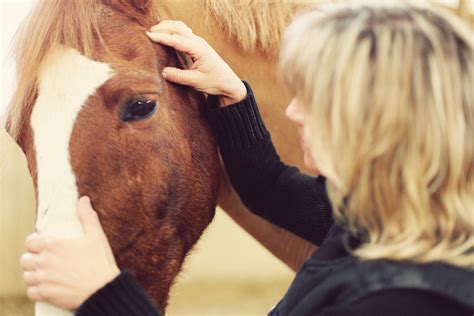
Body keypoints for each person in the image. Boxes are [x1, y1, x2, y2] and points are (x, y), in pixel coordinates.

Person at [20, 2, 474, 315]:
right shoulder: (385, 220)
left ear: (380, 122)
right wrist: (233, 98)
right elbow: (271, 188)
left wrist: (107, 296)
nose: (293, 111)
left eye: (313, 98)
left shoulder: (404, 301)